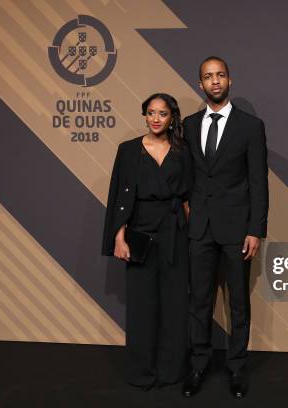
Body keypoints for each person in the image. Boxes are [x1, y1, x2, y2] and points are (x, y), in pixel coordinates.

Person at [181, 56, 269, 399]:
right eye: (207, 76)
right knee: (199, 302)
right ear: (200, 84)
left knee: (238, 305)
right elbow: (187, 174)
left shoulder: (251, 126)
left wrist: (255, 229)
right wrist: (188, 208)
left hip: (237, 230)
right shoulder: (187, 125)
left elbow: (258, 183)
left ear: (230, 81)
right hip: (199, 227)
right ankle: (198, 365)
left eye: (220, 75)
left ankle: (237, 368)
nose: (214, 81)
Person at [102, 93, 192, 390]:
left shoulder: (183, 150)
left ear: (171, 118)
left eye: (162, 113)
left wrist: (190, 230)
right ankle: (142, 372)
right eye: (151, 112)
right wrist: (118, 237)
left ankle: (171, 371)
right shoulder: (128, 150)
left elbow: (191, 195)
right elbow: (118, 196)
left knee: (175, 305)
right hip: (139, 233)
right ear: (144, 115)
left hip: (175, 232)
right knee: (142, 306)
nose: (156, 118)